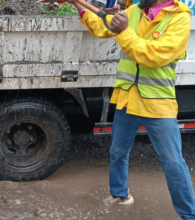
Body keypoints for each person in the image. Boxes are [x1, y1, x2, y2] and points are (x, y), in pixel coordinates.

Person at [66, 0, 195, 218]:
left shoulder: (179, 19)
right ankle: (121, 195)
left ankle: (189, 215)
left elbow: (154, 56)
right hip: (128, 97)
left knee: (173, 162)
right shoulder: (134, 11)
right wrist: (79, 6)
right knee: (117, 151)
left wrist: (124, 31)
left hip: (157, 103)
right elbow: (103, 27)